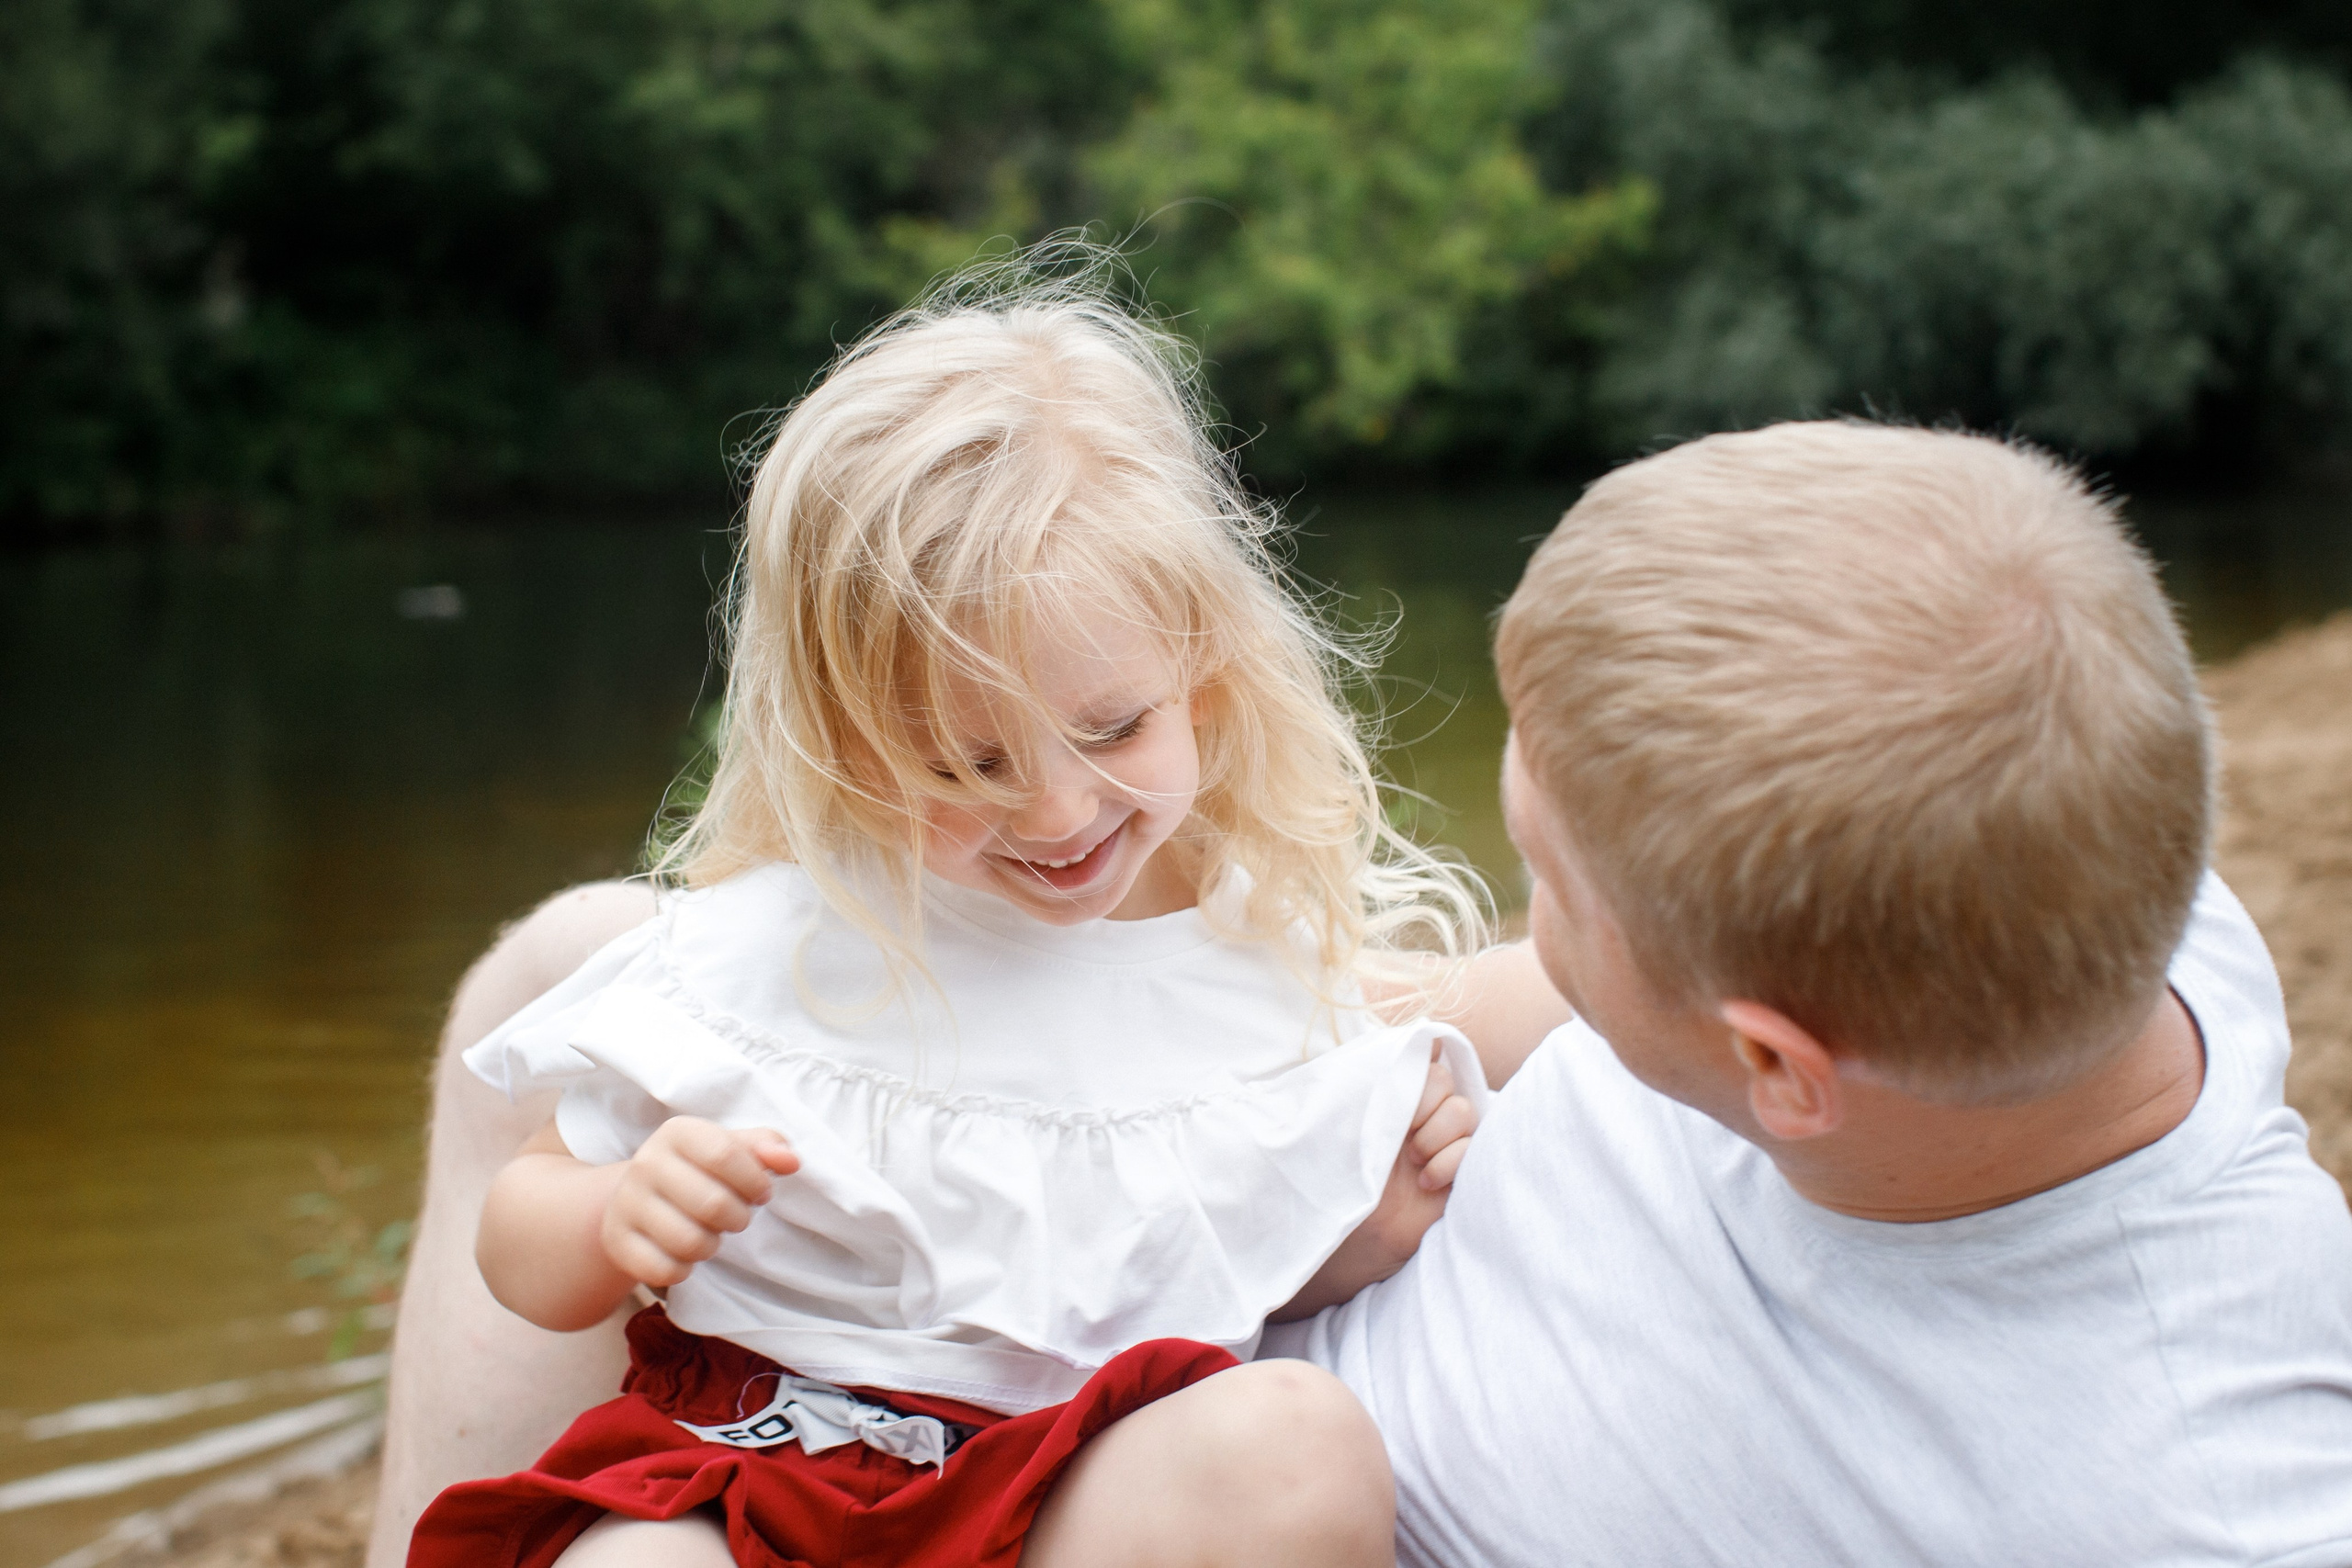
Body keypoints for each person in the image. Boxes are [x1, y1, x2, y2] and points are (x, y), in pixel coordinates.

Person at [372, 415, 2352, 1568]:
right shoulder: (2071, 851)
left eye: (1552, 892)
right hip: (1120, 1318)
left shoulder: (2173, 1492)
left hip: (1181, 1493)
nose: (1519, 924)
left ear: (1769, 1058)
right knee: (582, 965)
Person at [396, 258, 1567, 1568]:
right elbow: (522, 1237)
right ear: (841, 742)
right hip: (748, 1477)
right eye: (967, 768)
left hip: (1051, 1496)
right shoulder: (779, 945)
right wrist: (613, 1214)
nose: (1060, 816)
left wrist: (1327, 1247)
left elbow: (1157, 1260)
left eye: (1112, 728)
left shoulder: (1258, 983)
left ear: (1207, 672)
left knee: (1298, 1443)